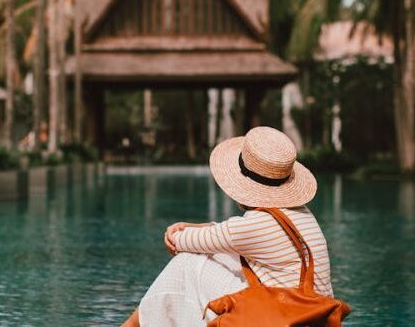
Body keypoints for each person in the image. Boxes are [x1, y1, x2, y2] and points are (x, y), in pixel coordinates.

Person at [122, 126, 332, 327]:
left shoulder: (253, 226)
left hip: (282, 317)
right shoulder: (300, 213)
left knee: (187, 263)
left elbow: (181, 242)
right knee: (221, 255)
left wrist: (175, 231)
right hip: (313, 314)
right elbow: (230, 236)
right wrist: (198, 227)